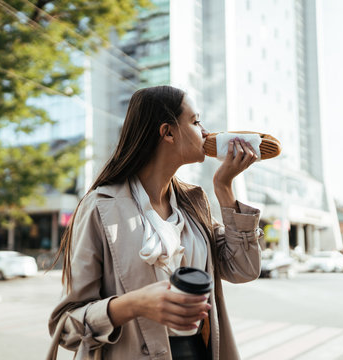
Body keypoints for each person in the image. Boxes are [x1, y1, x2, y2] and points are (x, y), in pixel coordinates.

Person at [48, 86, 262, 360]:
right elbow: (66, 327)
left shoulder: (193, 204)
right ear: (168, 132)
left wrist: (224, 187)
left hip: (200, 351)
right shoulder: (100, 207)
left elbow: (243, 269)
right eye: (196, 122)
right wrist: (135, 304)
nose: (206, 132)